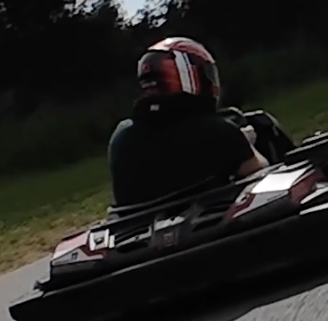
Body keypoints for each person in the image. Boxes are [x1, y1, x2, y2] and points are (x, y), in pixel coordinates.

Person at [107, 37, 292, 208]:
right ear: (192, 76)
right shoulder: (218, 132)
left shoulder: (121, 137)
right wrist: (247, 144)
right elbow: (263, 173)